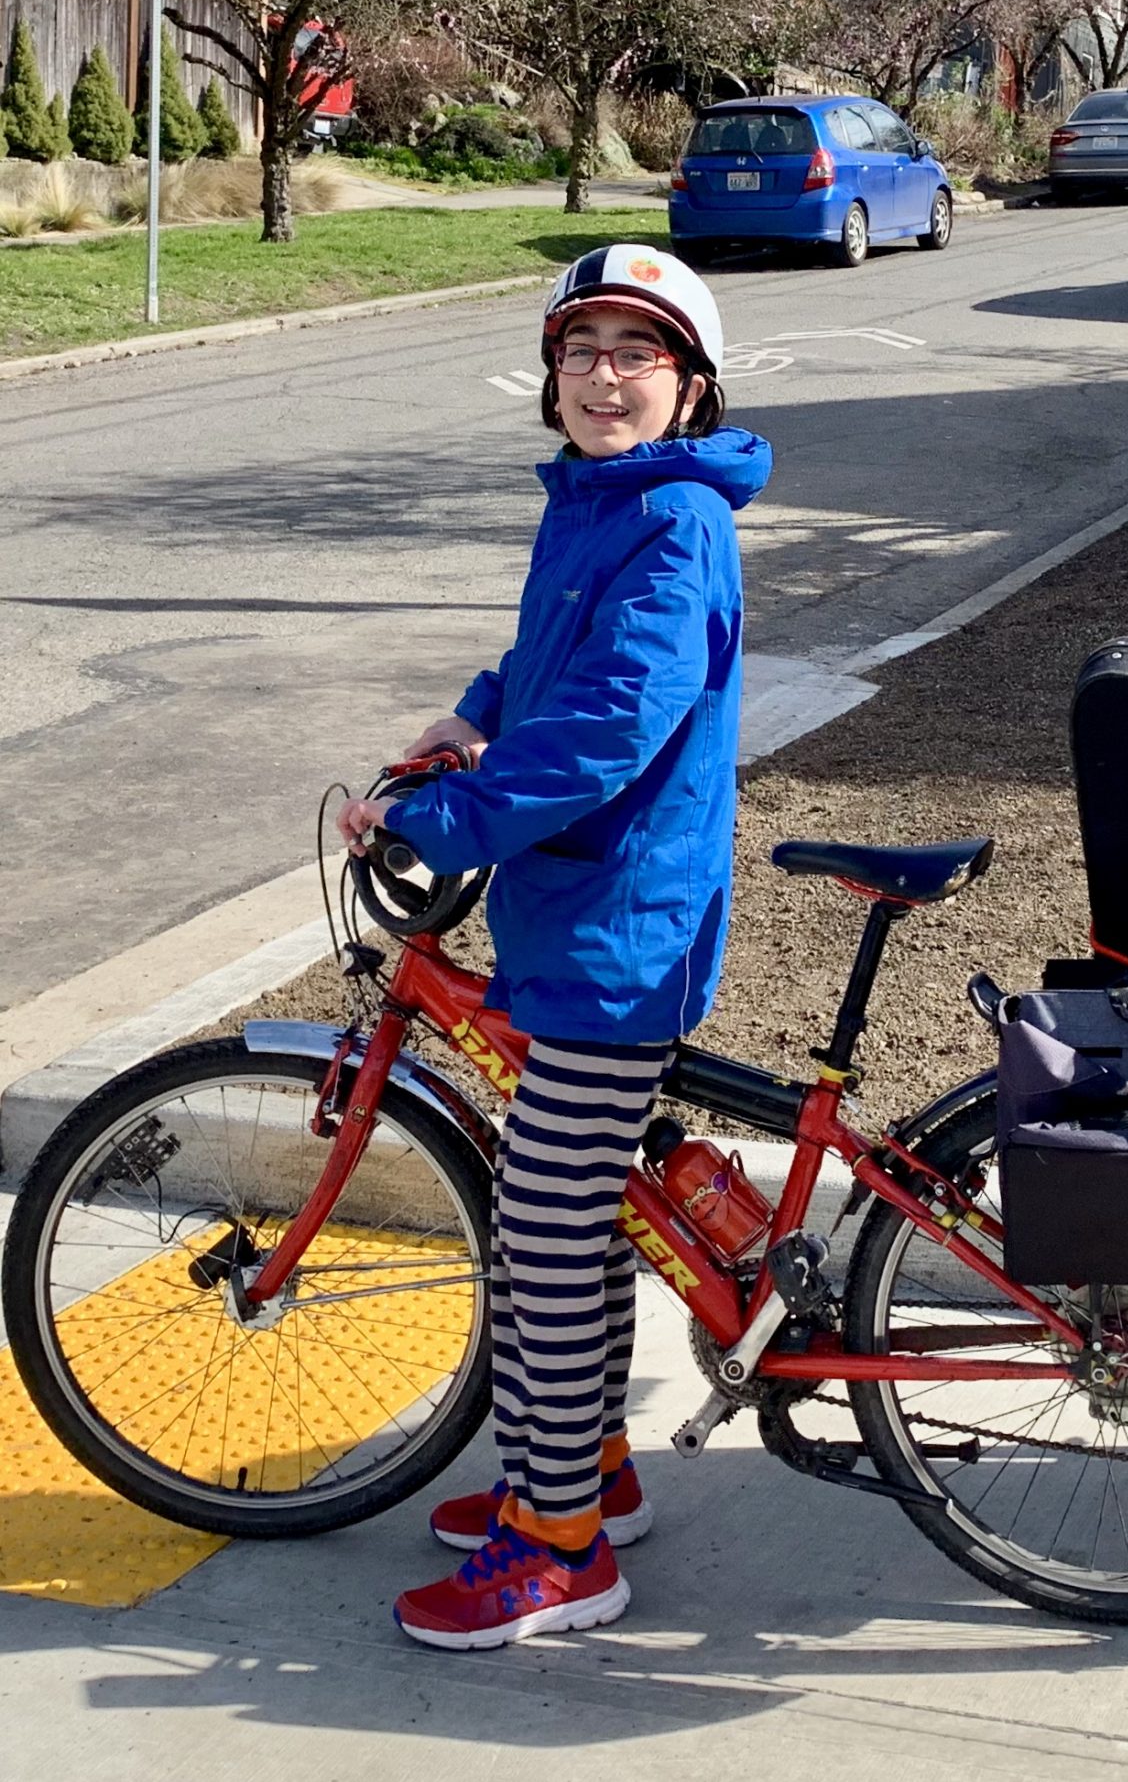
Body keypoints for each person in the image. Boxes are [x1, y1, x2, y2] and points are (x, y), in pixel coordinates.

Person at [335, 244, 771, 1649]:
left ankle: (561, 1547)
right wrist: (473, 714)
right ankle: (586, 1473)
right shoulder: (598, 501)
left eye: (637, 353)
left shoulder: (677, 523)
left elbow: (606, 727)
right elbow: (550, 669)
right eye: (580, 350)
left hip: (618, 936)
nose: (602, 375)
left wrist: (447, 818)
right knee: (568, 1222)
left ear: (690, 386)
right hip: (572, 917)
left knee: (544, 1233)